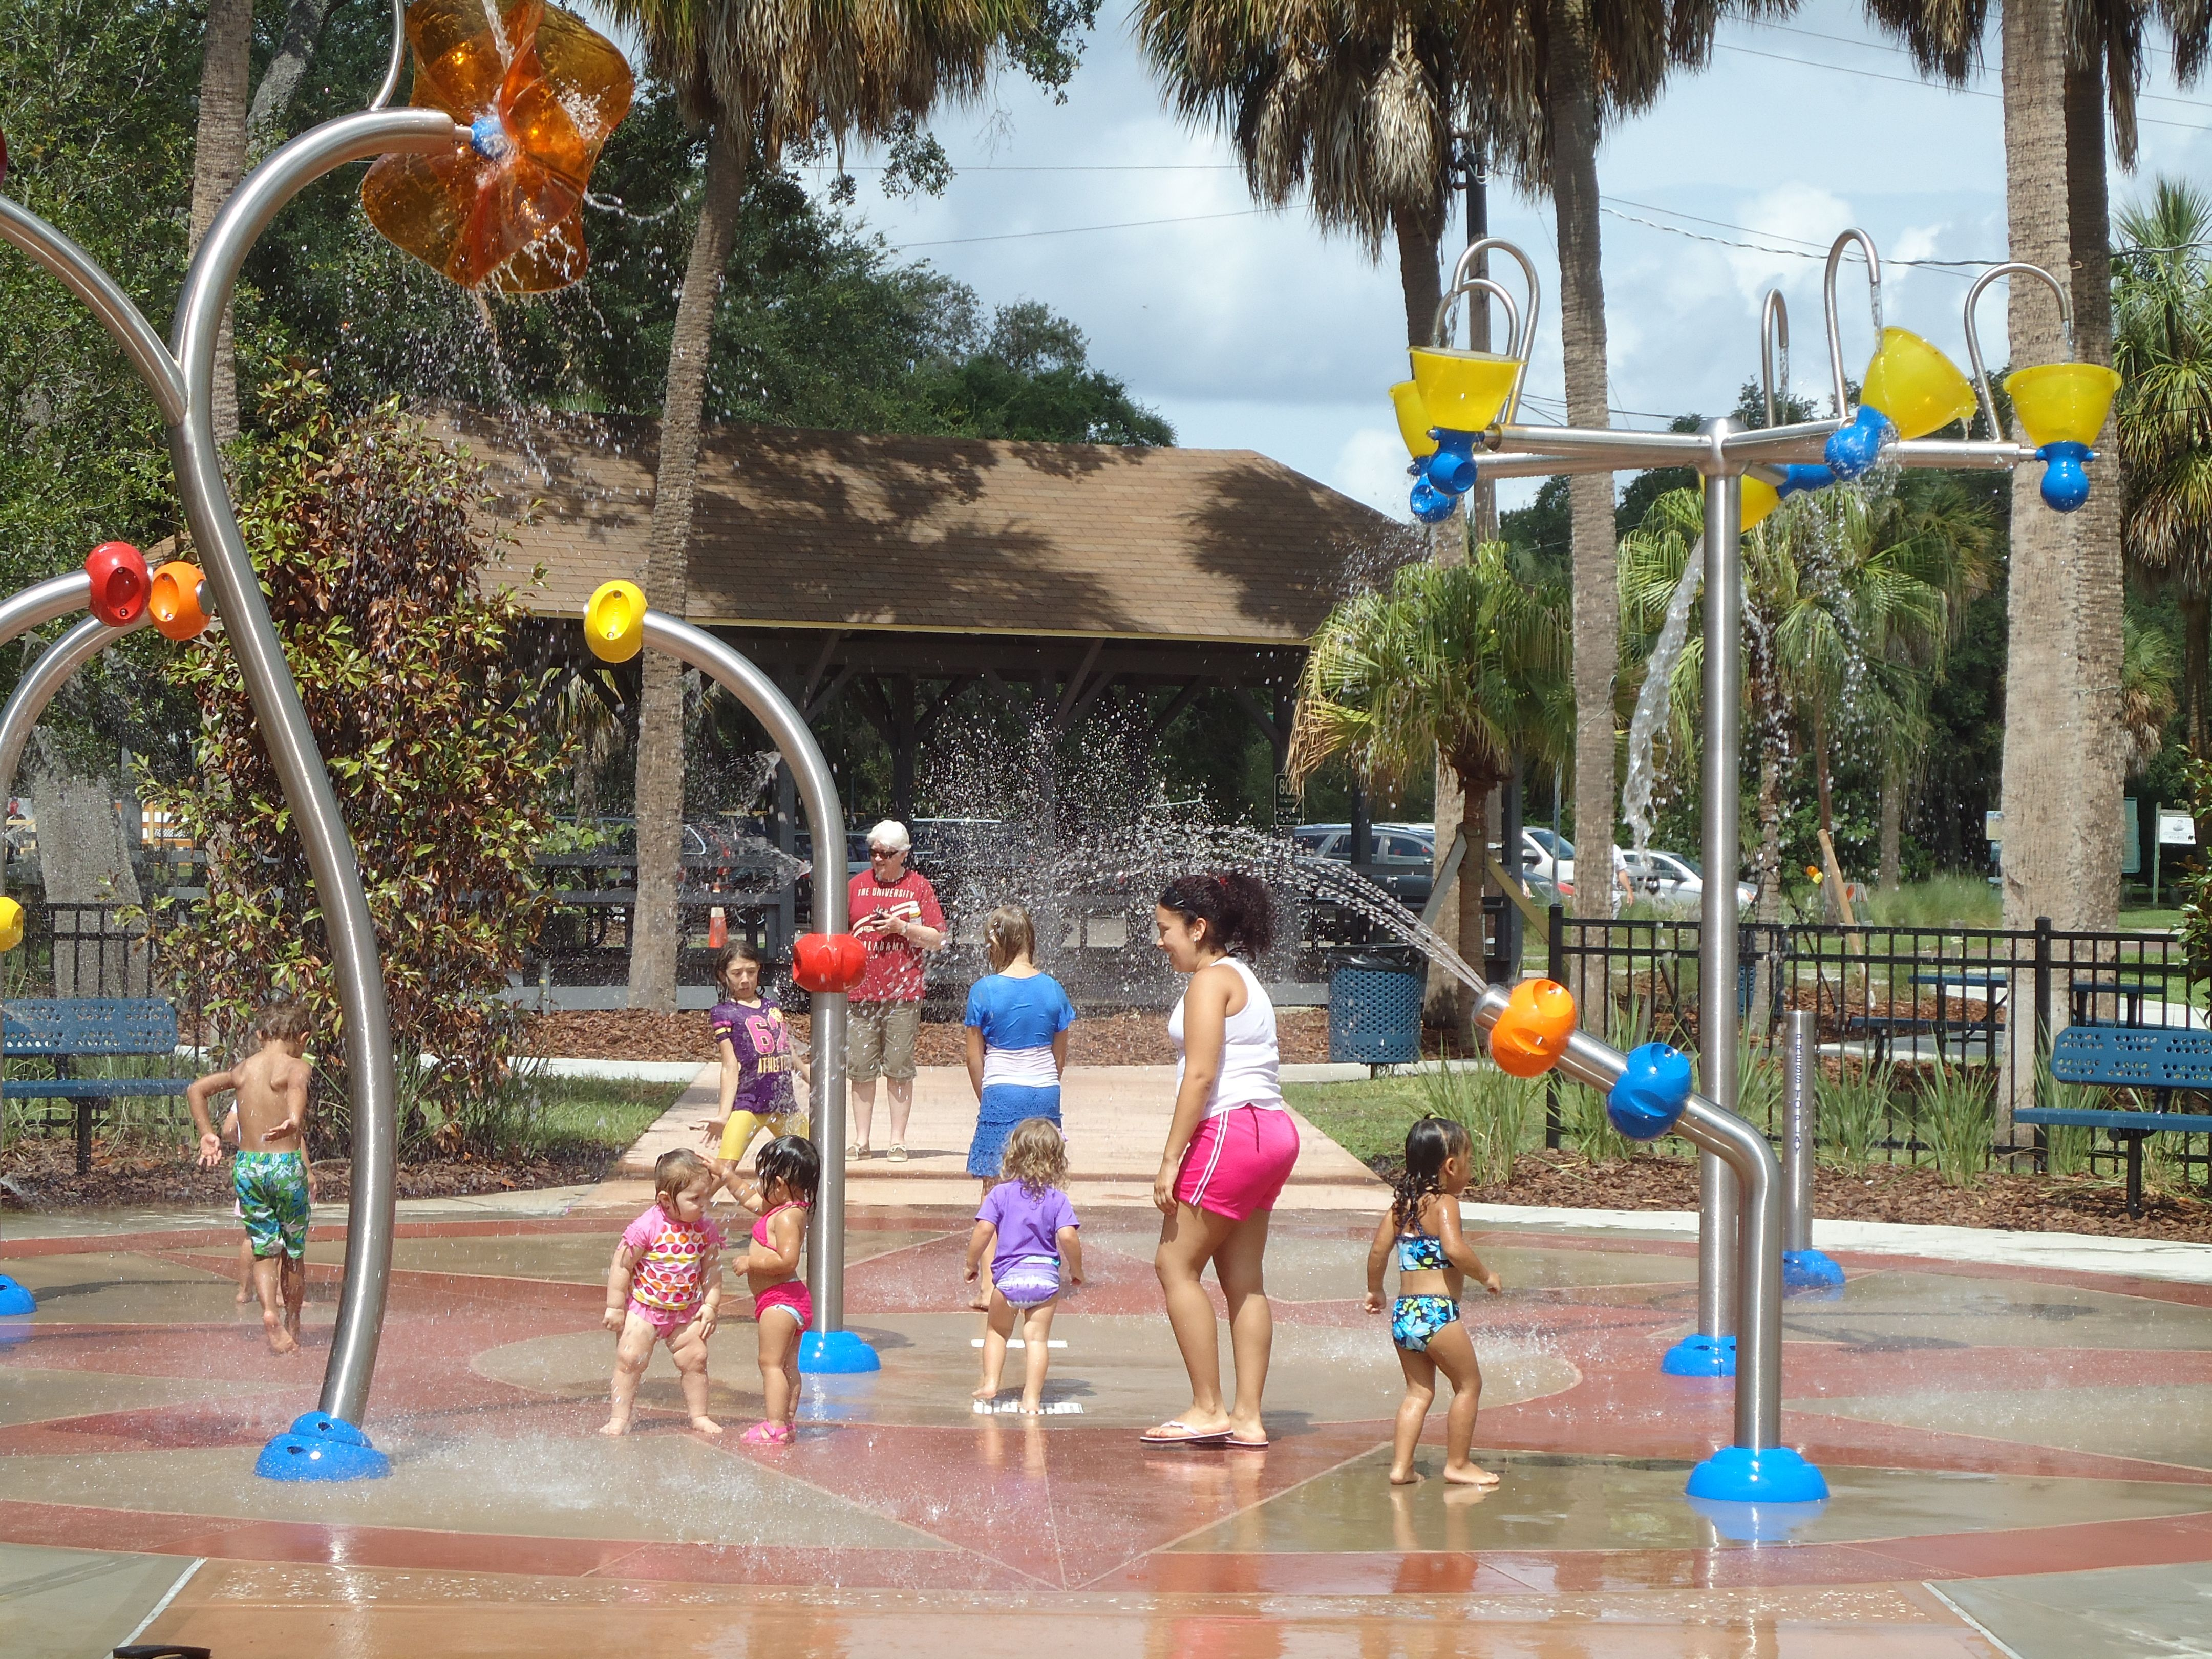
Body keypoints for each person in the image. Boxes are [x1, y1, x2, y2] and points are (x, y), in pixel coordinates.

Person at [1141, 873, 1299, 1451]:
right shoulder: (1244, 978)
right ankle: (1248, 1419)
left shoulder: (1209, 984)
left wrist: (1169, 1160)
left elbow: (1202, 1075)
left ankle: (1209, 1408)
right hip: (1272, 1131)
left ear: (1198, 927)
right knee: (1243, 1280)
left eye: (1165, 930)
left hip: (1231, 1129)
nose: (1160, 942)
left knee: (1173, 1264)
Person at [1364, 1117, 1504, 1487]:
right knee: (1469, 1386)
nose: (1471, 1169)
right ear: (1451, 1166)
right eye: (1470, 1160)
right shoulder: (1446, 1204)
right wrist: (1486, 1275)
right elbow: (1455, 1249)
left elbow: (1378, 1252)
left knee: (1418, 1391)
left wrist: (1375, 1290)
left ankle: (1401, 1467)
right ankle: (1458, 1464)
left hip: (1404, 1314)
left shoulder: (1398, 1209)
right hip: (1437, 1313)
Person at [188, 1001, 315, 1356]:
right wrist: (293, 1118)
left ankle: (269, 1312)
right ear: (303, 1037)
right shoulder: (296, 1066)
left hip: (248, 1166)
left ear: (260, 1035)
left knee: (263, 1248)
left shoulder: (243, 1069)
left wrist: (207, 1133)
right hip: (285, 1165)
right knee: (293, 1250)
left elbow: (196, 1089)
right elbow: (298, 1086)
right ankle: (292, 1322)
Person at [602, 1148, 725, 1437]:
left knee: (695, 1359)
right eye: (695, 1199)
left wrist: (711, 1305)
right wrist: (616, 1306)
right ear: (666, 1201)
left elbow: (712, 1269)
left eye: (707, 1195)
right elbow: (622, 1265)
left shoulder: (705, 1229)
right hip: (644, 1308)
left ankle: (700, 1415)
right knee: (629, 1360)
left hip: (685, 1311)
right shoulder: (647, 1227)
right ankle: (620, 1417)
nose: (704, 1204)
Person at [965, 1117, 1083, 1414]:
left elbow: (983, 1232)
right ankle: (1031, 1399)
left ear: (1013, 1155)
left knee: (997, 1332)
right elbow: (1068, 1236)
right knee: (1037, 1340)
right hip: (1045, 1281)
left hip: (1007, 1281)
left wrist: (971, 1264)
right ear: (1057, 1160)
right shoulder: (1058, 1200)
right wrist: (1076, 1270)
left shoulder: (1000, 1194)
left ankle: (991, 1383)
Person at [846, 819, 945, 1163]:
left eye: (887, 854)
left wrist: (901, 927)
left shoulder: (919, 887)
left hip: (904, 990)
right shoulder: (856, 886)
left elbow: (938, 939)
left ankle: (897, 1140)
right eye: (873, 852)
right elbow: (838, 934)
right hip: (861, 989)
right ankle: (861, 1140)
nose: (878, 859)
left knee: (899, 1066)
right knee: (859, 1066)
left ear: (903, 855)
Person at [962, 904, 1076, 1189]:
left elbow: (974, 1059)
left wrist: (989, 1097)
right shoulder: (1053, 988)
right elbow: (1058, 1059)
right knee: (1043, 1185)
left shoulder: (984, 990)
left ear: (997, 942)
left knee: (995, 1190)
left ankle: (995, 1237)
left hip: (1001, 1091)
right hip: (1045, 1092)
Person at [696, 942, 810, 1197]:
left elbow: (787, 1049)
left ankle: (801, 1213)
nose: (745, 979)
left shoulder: (771, 1006)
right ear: (722, 976)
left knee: (811, 1157)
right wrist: (724, 1115)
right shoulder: (723, 1013)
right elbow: (729, 1065)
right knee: (726, 1165)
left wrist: (812, 1078)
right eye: (737, 973)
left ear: (759, 970)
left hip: (783, 1104)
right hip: (748, 1104)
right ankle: (689, 1212)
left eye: (751, 971)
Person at [742, 1134, 820, 1447]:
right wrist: (725, 1176)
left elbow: (787, 1260)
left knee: (770, 1364)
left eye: (761, 1178)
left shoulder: (788, 1217)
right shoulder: (787, 1208)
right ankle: (786, 1422)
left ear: (777, 1183)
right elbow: (748, 1200)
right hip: (789, 1302)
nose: (757, 1186)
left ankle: (774, 1426)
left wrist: (750, 1262)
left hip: (780, 1301)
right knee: (788, 1365)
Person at [220, 1103, 315, 1305]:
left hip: (252, 1166)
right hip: (283, 1167)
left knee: (253, 1235)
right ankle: (280, 1295)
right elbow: (295, 1135)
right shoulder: (284, 1091)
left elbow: (228, 1129)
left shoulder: (245, 1089)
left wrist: (250, 1144)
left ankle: (244, 1291)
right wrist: (307, 1169)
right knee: (287, 1236)